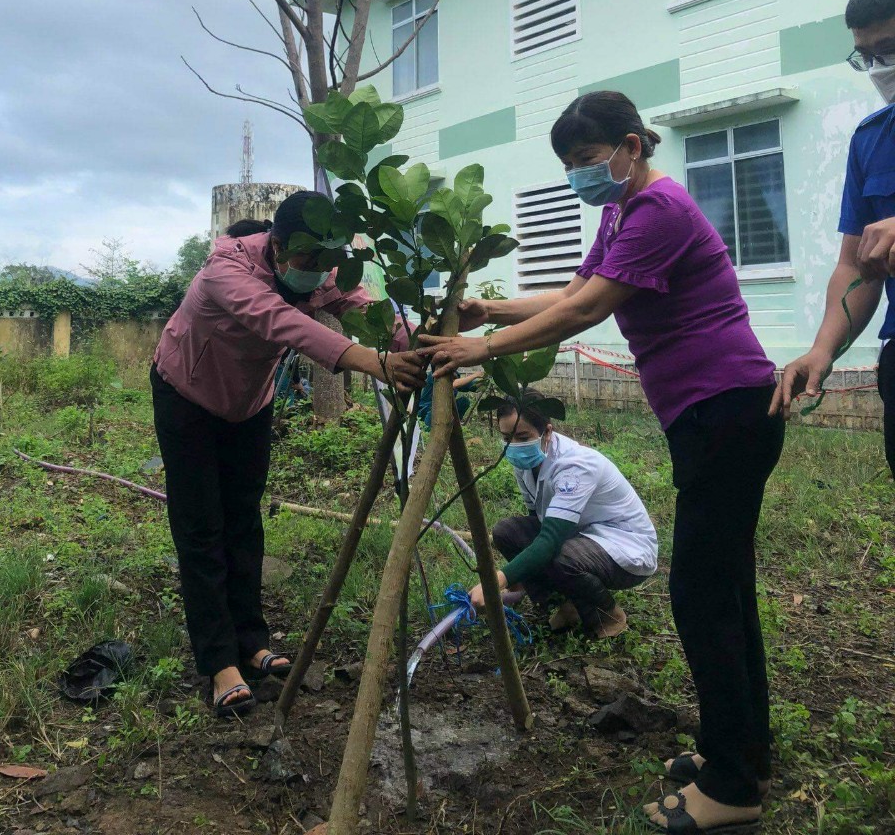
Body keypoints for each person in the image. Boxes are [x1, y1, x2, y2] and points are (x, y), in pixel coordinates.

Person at [421, 91, 782, 834]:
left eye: (586, 162)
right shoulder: (620, 213)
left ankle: (734, 787)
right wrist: (493, 311)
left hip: (727, 410)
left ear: (629, 145)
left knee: (703, 595)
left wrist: (479, 349)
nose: (579, 178)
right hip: (712, 414)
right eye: (569, 168)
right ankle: (741, 749)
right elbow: (576, 291)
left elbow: (590, 313)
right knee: (726, 590)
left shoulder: (660, 211)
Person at [152, 191, 423, 718]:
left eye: (329, 262)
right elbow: (283, 323)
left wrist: (416, 338)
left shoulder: (322, 273)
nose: (320, 272)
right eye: (309, 260)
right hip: (187, 395)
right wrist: (369, 361)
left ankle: (251, 638)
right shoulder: (224, 269)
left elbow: (363, 306)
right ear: (277, 246)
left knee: (244, 519)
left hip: (249, 403)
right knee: (201, 525)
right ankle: (217, 659)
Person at [773, 0, 895, 481]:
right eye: (866, 56)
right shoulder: (871, 140)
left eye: (887, 48)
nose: (878, 67)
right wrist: (822, 350)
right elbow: (854, 265)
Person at [467, 391, 657, 638]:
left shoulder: (574, 465)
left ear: (547, 432)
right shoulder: (526, 461)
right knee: (507, 532)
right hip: (581, 533)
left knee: (562, 557)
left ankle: (608, 616)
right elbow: (536, 518)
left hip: (624, 545)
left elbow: (549, 541)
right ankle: (565, 605)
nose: (514, 446)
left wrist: (498, 580)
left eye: (522, 437)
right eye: (506, 438)